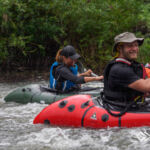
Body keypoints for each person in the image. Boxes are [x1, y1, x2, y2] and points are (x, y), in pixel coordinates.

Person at [103, 32, 150, 112]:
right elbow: (146, 86)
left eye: (136, 45)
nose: (134, 49)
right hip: (120, 109)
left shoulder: (131, 66)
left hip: (130, 105)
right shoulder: (119, 69)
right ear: (119, 48)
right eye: (130, 46)